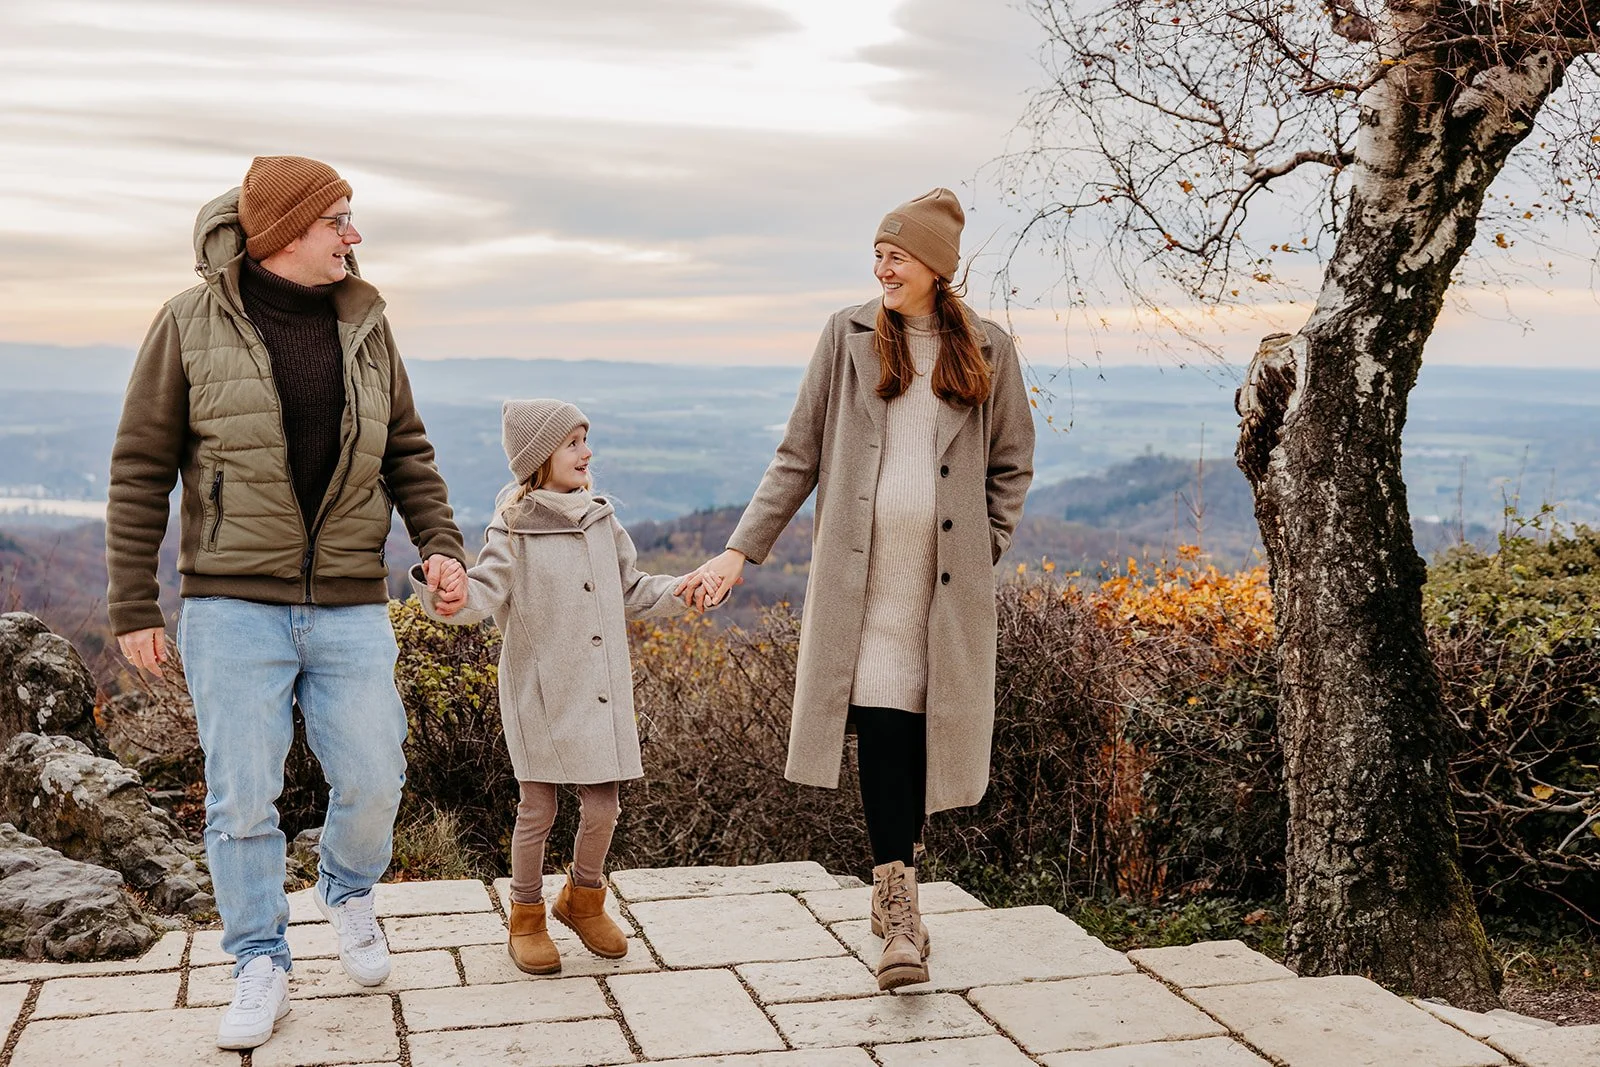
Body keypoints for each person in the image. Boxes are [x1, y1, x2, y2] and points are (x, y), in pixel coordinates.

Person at [106, 156, 468, 1050]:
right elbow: (141, 468)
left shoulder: (367, 322)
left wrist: (441, 547)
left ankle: (345, 889)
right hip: (231, 602)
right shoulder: (187, 324)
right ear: (283, 234)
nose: (354, 236)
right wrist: (133, 605)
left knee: (378, 773)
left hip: (349, 599)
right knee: (242, 798)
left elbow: (407, 450)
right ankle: (259, 960)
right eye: (339, 219)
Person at [678, 189, 1035, 990]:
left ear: (935, 266)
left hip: (942, 593)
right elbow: (796, 456)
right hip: (862, 586)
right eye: (878, 252)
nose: (882, 266)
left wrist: (983, 550)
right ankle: (898, 910)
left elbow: (1011, 465)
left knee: (913, 737)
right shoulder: (845, 338)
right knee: (878, 730)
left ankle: (897, 891)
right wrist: (740, 553)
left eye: (897, 254)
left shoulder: (990, 349)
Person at [412, 399, 692, 974]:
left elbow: (631, 589)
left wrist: (685, 587)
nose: (587, 453)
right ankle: (526, 916)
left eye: (586, 440)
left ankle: (583, 901)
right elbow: (480, 594)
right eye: (573, 443)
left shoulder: (601, 519)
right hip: (538, 693)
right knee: (537, 808)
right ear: (541, 457)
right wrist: (445, 590)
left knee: (603, 806)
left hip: (599, 691)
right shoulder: (512, 528)